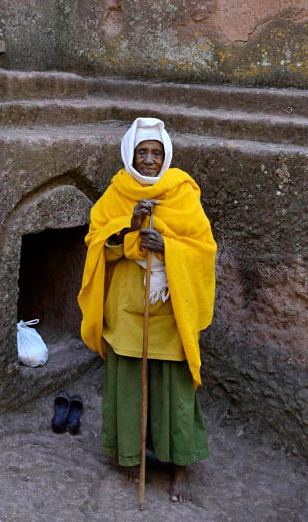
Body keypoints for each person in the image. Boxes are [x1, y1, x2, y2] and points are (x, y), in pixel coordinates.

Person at [78, 117, 216, 503]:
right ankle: (129, 457)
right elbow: (97, 247)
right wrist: (130, 226)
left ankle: (180, 467)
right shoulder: (116, 193)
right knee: (127, 381)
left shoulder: (183, 192)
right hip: (126, 306)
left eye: (156, 153)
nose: (150, 160)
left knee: (175, 387)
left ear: (166, 155)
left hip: (170, 309)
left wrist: (167, 248)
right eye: (143, 153)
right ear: (130, 155)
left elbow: (204, 249)